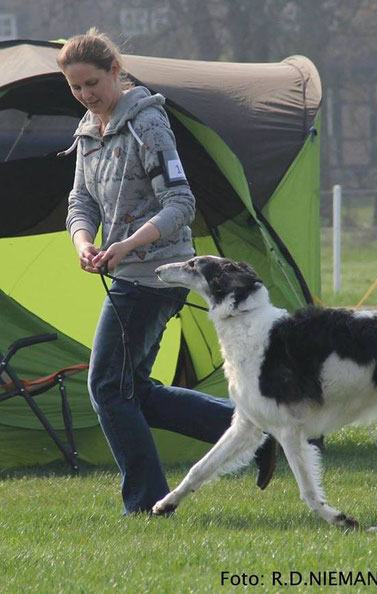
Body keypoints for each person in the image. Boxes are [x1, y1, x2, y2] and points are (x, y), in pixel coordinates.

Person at [57, 29, 277, 515]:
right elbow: (81, 201)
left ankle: (145, 503)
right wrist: (83, 243)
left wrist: (128, 244)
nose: (86, 95)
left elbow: (180, 203)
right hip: (123, 270)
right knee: (133, 391)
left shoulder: (148, 125)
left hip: (156, 274)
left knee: (108, 387)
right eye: (76, 88)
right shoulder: (88, 130)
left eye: (92, 83)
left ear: (116, 70)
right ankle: (259, 436)